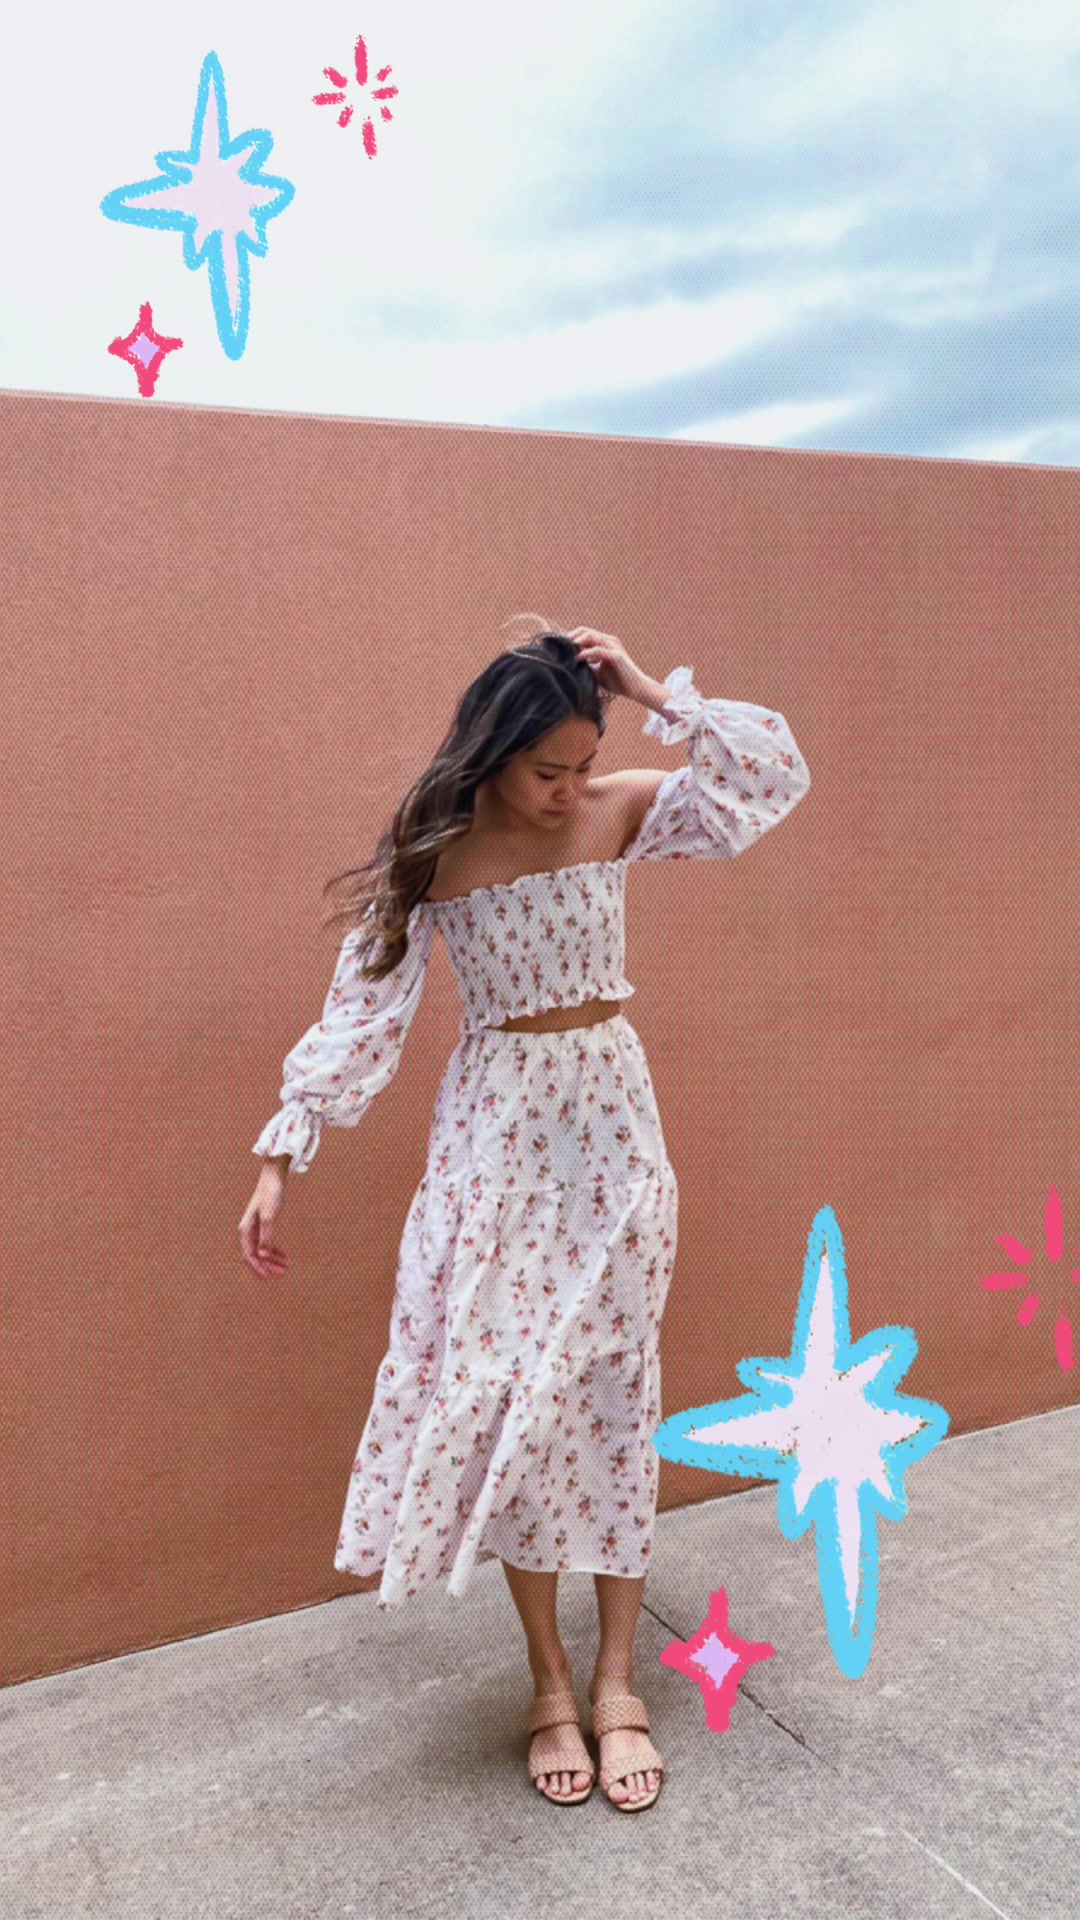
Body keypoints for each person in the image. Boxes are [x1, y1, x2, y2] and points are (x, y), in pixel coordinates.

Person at [239, 621, 811, 1811]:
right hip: (496, 1143)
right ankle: (549, 1681)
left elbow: (764, 780)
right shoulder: (436, 851)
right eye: (547, 770)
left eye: (582, 764)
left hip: (613, 1134)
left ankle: (616, 1676)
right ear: (492, 754)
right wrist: (284, 1154)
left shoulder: (620, 808)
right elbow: (363, 1010)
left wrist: (651, 690)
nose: (568, 791)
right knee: (511, 1396)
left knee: (611, 1390)